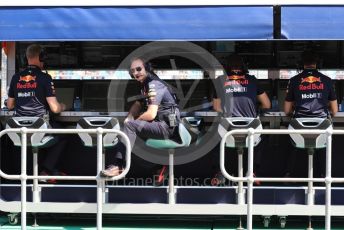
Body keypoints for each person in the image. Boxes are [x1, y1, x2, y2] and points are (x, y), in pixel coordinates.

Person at [100, 57, 180, 181]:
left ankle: (118, 166)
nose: (136, 73)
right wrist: (130, 116)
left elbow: (151, 114)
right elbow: (137, 104)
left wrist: (133, 121)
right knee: (131, 138)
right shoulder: (145, 85)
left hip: (166, 127)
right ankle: (159, 167)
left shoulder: (154, 84)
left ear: (147, 68)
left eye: (139, 69)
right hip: (161, 125)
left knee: (129, 127)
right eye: (133, 71)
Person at [7, 44, 67, 183]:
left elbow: (10, 105)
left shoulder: (16, 77)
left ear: (25, 58)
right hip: (39, 129)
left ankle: (34, 173)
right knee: (64, 134)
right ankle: (46, 170)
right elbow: (54, 108)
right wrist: (63, 106)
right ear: (41, 57)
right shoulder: (45, 78)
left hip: (19, 131)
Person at [211, 54, 271, 185]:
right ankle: (253, 171)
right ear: (244, 67)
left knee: (216, 138)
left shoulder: (220, 80)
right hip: (251, 131)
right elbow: (267, 104)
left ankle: (220, 172)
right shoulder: (253, 80)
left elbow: (216, 107)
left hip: (229, 131)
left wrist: (228, 112)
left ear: (226, 67)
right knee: (262, 139)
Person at [283, 50, 338, 178]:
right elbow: (334, 110)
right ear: (317, 63)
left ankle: (287, 174)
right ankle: (325, 176)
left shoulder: (294, 80)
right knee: (322, 144)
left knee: (291, 143)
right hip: (322, 128)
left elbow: (286, 110)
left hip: (299, 128)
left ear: (302, 64)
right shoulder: (327, 80)